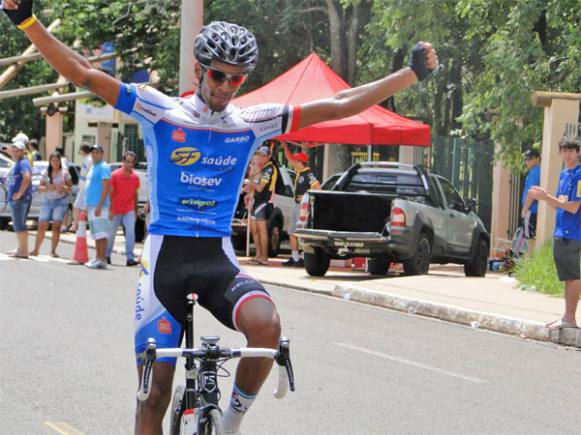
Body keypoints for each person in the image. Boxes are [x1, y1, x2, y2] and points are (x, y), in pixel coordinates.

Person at [1, 4, 437, 432]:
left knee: (266, 326)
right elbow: (84, 74)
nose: (227, 86)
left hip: (216, 259)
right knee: (153, 398)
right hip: (164, 261)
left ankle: (229, 424)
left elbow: (340, 103)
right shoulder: (159, 110)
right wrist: (28, 21)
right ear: (198, 71)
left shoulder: (253, 122)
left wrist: (410, 75)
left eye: (237, 78)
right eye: (218, 75)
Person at [529, 137, 581, 330]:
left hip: (573, 233)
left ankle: (570, 319)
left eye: (571, 150)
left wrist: (547, 197)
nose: (567, 154)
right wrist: (545, 197)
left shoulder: (579, 175)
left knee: (573, 276)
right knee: (567, 276)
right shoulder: (564, 174)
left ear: (578, 152)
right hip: (561, 231)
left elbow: (574, 207)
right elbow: (560, 204)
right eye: (564, 150)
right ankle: (567, 318)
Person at [282, 142, 320, 266]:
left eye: (296, 161)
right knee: (292, 231)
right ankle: (295, 258)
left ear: (300, 162)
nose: (294, 163)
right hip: (296, 205)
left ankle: (302, 257)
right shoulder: (299, 173)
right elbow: (289, 158)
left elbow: (317, 188)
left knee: (300, 232)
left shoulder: (308, 175)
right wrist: (285, 145)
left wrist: (306, 197)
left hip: (302, 207)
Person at [30, 151, 72, 257]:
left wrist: (64, 188)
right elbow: (39, 187)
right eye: (53, 160)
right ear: (50, 161)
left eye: (57, 160)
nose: (55, 162)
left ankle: (53, 251)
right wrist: (48, 187)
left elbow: (70, 188)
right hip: (47, 202)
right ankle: (36, 249)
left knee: (56, 227)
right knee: (42, 226)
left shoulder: (65, 173)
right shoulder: (45, 172)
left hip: (60, 202)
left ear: (60, 161)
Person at [106, 150, 140, 266]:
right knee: (111, 234)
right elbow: (110, 193)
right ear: (123, 162)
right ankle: (107, 255)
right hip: (115, 209)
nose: (129, 164)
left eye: (131, 162)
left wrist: (135, 211)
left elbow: (135, 194)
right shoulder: (115, 175)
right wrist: (110, 210)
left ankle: (130, 258)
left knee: (130, 233)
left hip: (128, 209)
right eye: (127, 161)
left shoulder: (135, 177)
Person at [247, 145, 277, 265]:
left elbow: (259, 188)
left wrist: (252, 182)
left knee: (262, 229)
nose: (261, 158)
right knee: (254, 229)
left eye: (263, 156)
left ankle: (264, 257)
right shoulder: (263, 168)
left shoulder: (269, 169)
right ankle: (258, 254)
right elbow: (253, 182)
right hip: (256, 201)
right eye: (260, 155)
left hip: (264, 201)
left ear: (269, 156)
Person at [83, 144, 111, 269]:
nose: (94, 155)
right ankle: (97, 257)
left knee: (101, 233)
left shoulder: (104, 167)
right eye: (92, 152)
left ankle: (102, 258)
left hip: (99, 206)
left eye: (96, 152)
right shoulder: (93, 167)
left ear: (101, 153)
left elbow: (106, 187)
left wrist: (100, 205)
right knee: (95, 233)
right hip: (91, 205)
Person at [6, 140, 32, 259]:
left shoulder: (23, 163)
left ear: (23, 151)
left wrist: (19, 193)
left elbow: (27, 178)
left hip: (19, 200)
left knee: (19, 225)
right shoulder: (18, 162)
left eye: (18, 150)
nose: (15, 152)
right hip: (17, 199)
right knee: (19, 224)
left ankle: (23, 251)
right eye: (14, 150)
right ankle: (21, 248)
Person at [70, 143, 93, 232]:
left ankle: (75, 224)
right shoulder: (87, 159)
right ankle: (76, 224)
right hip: (84, 187)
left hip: (85, 187)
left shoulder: (89, 159)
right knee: (82, 207)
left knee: (76, 206)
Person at [521, 148, 541, 239]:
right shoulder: (533, 171)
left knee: (528, 239)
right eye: (526, 159)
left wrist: (524, 210)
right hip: (531, 209)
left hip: (531, 209)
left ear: (537, 159)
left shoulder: (536, 172)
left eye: (530, 159)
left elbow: (531, 192)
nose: (527, 161)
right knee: (529, 236)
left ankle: (529, 254)